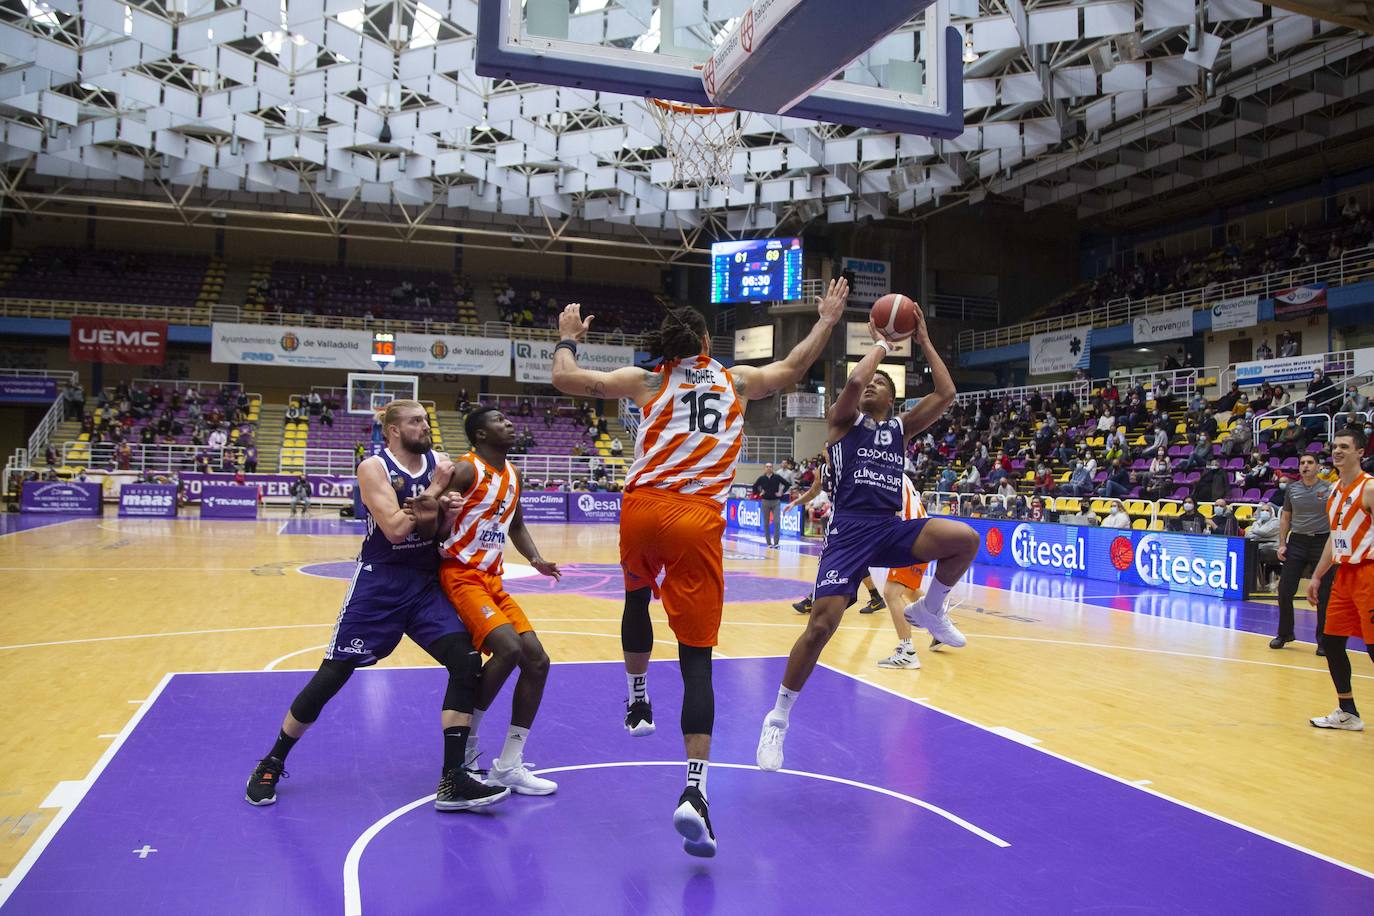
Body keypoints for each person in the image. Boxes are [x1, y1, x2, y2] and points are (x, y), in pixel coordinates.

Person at [550, 278, 849, 858]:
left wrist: (567, 339)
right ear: (707, 343)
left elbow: (566, 378)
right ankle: (694, 793)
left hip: (641, 509)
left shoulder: (649, 379)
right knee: (696, 659)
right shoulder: (734, 379)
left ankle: (637, 698)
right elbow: (792, 367)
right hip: (695, 517)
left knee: (636, 599)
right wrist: (828, 321)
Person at [243, 400, 505, 812]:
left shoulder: (438, 460)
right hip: (380, 583)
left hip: (423, 581)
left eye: (426, 419)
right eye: (417, 421)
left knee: (466, 660)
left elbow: (435, 534)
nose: (426, 425)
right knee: (333, 675)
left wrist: (447, 515)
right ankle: (272, 760)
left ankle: (453, 778)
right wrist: (435, 493)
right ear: (394, 431)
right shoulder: (374, 468)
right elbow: (397, 531)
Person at [756, 299, 978, 776]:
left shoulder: (899, 428)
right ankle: (777, 718)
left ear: (892, 400)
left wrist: (922, 340)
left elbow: (947, 392)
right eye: (871, 380)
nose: (871, 383)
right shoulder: (843, 421)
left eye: (882, 382)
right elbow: (855, 381)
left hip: (890, 527)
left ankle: (930, 610)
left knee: (964, 538)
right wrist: (881, 343)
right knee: (820, 627)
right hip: (850, 530)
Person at [431, 407, 561, 795]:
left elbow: (516, 524)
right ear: (480, 435)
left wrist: (535, 559)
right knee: (508, 648)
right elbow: (429, 504)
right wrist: (439, 506)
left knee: (537, 660)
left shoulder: (513, 475)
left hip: (492, 581)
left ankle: (509, 764)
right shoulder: (466, 469)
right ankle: (468, 746)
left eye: (508, 418)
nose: (508, 422)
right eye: (498, 420)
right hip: (460, 574)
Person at [1305, 427, 1374, 730]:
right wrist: (1317, 577)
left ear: (1360, 452)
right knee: (1331, 642)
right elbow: (1335, 538)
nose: (1337, 451)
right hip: (1343, 575)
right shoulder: (1333, 491)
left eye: (1345, 446)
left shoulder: (1369, 488)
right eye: (1335, 446)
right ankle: (1347, 711)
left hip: (1369, 573)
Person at [1271, 453, 1333, 651]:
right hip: (1297, 541)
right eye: (1302, 463)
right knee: (1285, 590)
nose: (1305, 466)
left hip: (1321, 541)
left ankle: (1323, 641)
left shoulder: (1329, 488)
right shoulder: (1292, 489)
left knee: (1324, 593)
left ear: (1318, 466)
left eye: (1310, 462)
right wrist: (1282, 543)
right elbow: (1285, 518)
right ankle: (1284, 634)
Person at [873, 475, 932, 669]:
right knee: (909, 590)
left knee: (891, 592)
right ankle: (940, 628)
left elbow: (888, 515)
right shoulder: (895, 472)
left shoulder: (885, 477)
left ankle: (907, 652)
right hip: (921, 533)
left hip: (912, 536)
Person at [753, 462, 788, 548]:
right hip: (765, 501)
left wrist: (781, 492)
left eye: (770, 467)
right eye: (767, 467)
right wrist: (759, 493)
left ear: (772, 468)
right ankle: (769, 543)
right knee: (766, 523)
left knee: (777, 522)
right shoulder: (762, 478)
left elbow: (787, 484)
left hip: (776, 501)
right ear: (764, 468)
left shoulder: (776, 477)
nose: (769, 468)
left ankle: (776, 542)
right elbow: (754, 487)